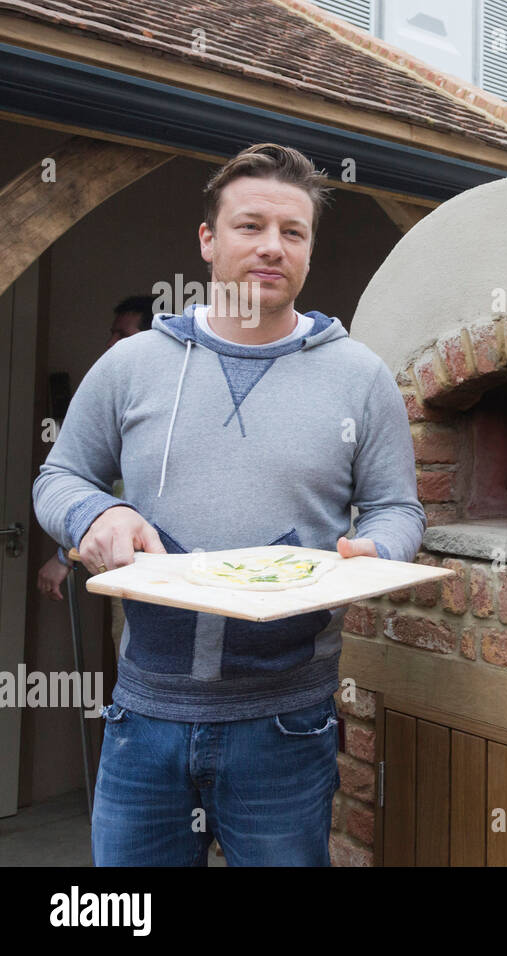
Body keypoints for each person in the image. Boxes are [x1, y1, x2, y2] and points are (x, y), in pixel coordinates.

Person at [31, 143, 426, 866]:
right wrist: (97, 516)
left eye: (293, 232)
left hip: (286, 727)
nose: (272, 247)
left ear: (309, 249)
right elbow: (59, 479)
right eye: (250, 226)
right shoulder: (134, 364)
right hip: (144, 716)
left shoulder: (359, 377)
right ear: (208, 241)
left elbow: (399, 508)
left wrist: (383, 551)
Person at [37, 295, 155, 602]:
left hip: (167, 575)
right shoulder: (119, 396)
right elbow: (90, 484)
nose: (110, 343)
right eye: (112, 333)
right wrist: (65, 553)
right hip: (126, 571)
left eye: (123, 336)